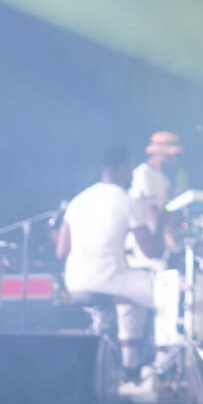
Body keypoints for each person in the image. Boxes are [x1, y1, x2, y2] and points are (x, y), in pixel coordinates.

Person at [56, 144, 162, 379]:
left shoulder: (79, 200)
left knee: (133, 291)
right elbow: (151, 250)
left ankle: (129, 365)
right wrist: (164, 221)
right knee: (165, 293)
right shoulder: (128, 200)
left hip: (74, 279)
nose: (133, 176)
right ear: (121, 169)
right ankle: (157, 364)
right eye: (131, 169)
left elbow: (61, 251)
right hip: (108, 278)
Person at [129, 130, 182, 264]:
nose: (175, 160)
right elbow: (151, 209)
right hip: (144, 242)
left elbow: (167, 209)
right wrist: (167, 235)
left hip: (159, 241)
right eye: (171, 156)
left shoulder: (163, 178)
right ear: (160, 154)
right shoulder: (143, 174)